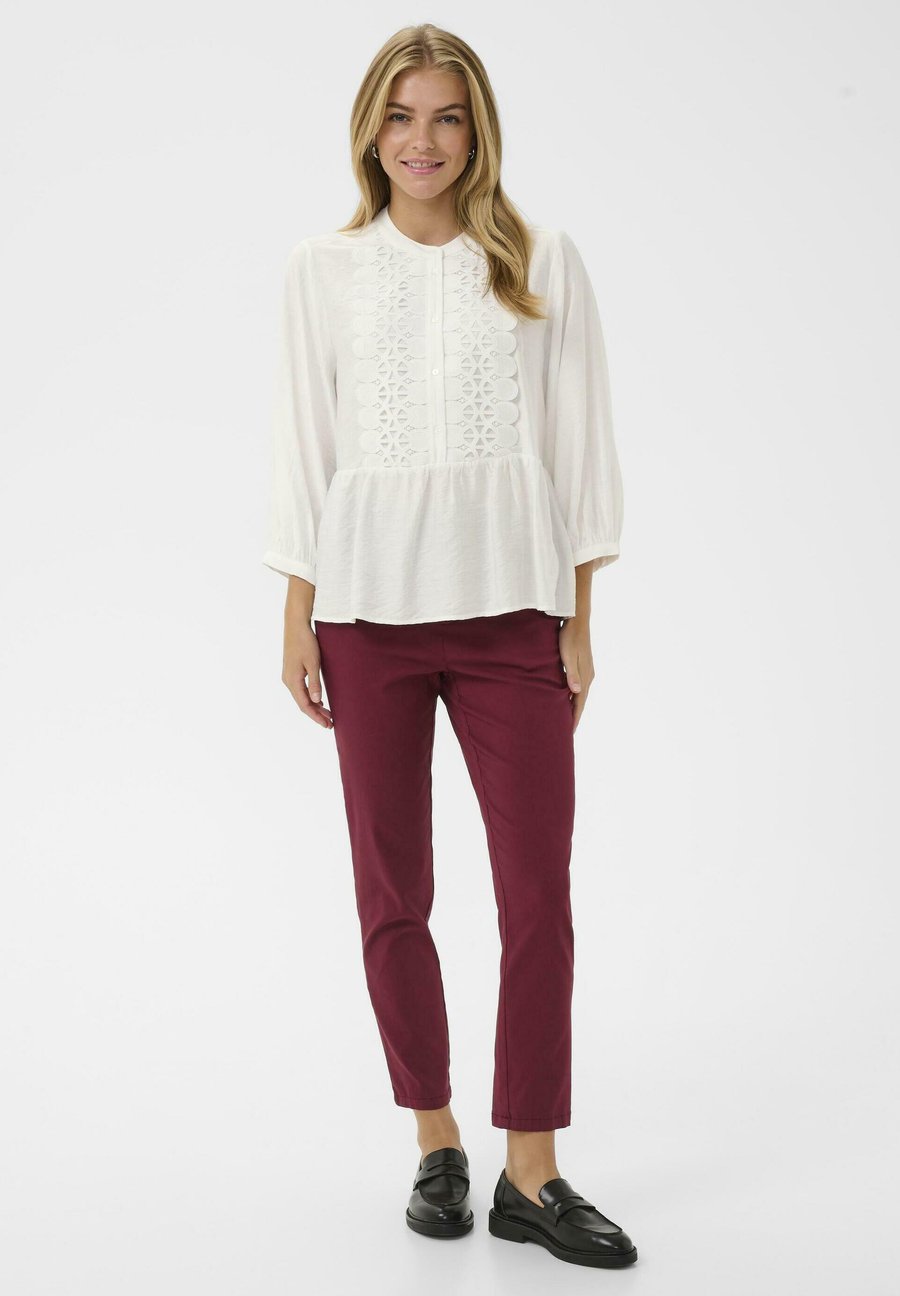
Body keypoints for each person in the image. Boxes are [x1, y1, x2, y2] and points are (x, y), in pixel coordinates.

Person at [262, 23, 637, 1269]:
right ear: (371, 130)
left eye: (448, 117)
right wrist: (297, 608)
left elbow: (580, 441)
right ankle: (436, 1140)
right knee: (394, 891)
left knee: (538, 896)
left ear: (479, 133)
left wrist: (580, 616)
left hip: (510, 611)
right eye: (402, 115)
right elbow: (304, 445)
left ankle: (532, 1169)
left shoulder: (537, 258)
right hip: (364, 615)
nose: (423, 140)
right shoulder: (321, 269)